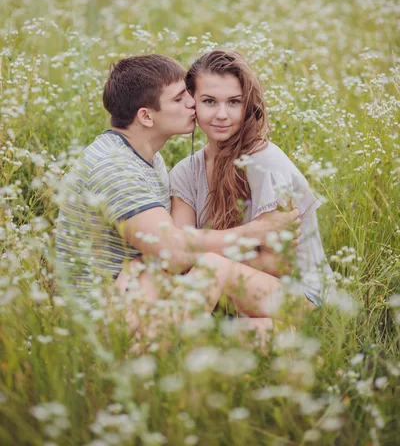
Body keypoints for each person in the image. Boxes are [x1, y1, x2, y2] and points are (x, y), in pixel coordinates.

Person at [55, 54, 301, 344]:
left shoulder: (149, 159)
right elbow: (172, 250)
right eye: (179, 99)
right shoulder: (116, 167)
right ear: (146, 116)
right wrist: (252, 233)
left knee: (275, 333)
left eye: (189, 95)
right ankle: (148, 354)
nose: (191, 104)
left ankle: (178, 349)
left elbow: (173, 251)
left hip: (146, 292)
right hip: (105, 313)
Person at [170, 50, 336, 308]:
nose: (222, 114)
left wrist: (201, 249)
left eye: (234, 102)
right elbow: (177, 256)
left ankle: (155, 345)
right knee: (255, 335)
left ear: (247, 104)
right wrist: (247, 239)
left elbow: (277, 265)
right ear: (192, 104)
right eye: (210, 101)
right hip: (236, 297)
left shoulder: (266, 163)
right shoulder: (185, 172)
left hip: (300, 294)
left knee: (214, 266)